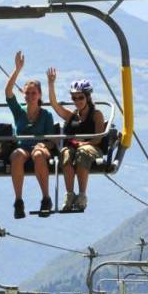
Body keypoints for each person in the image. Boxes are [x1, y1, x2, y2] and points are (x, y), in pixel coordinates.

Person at [46, 68, 106, 212]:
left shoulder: (96, 115)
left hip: (93, 148)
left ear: (88, 97)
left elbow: (98, 138)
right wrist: (51, 83)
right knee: (65, 153)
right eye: (74, 98)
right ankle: (70, 195)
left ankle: (82, 195)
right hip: (75, 148)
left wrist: (83, 144)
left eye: (80, 97)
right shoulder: (71, 116)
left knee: (82, 152)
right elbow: (54, 105)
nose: (77, 101)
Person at [5, 51, 55, 218]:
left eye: (34, 93)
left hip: (40, 148)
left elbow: (51, 140)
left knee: (39, 155)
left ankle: (46, 198)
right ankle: (18, 201)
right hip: (23, 148)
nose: (30, 96)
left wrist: (42, 144)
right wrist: (17, 69)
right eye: (27, 93)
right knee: (17, 156)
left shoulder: (46, 115)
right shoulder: (19, 111)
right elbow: (8, 92)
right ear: (24, 94)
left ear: (39, 95)